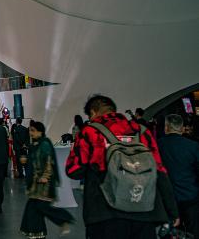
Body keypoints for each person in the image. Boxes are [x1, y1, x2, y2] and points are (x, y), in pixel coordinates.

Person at [66, 95, 179, 239]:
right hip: (145, 209)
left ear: (93, 112)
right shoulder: (141, 131)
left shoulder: (90, 132)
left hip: (105, 213)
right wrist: (172, 210)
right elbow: (160, 171)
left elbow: (73, 170)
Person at [19, 121, 74, 237]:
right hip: (35, 183)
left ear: (40, 131)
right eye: (30, 130)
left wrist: (45, 176)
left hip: (44, 184)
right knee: (33, 209)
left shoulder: (44, 144)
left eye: (33, 130)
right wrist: (25, 160)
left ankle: (64, 220)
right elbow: (33, 162)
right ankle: (37, 233)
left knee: (41, 207)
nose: (30, 133)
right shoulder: (35, 144)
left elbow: (49, 161)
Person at [158, 114, 199, 238]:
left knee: (171, 233)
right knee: (193, 232)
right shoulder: (193, 146)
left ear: (166, 127)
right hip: (190, 196)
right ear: (182, 128)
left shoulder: (158, 145)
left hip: (167, 199)